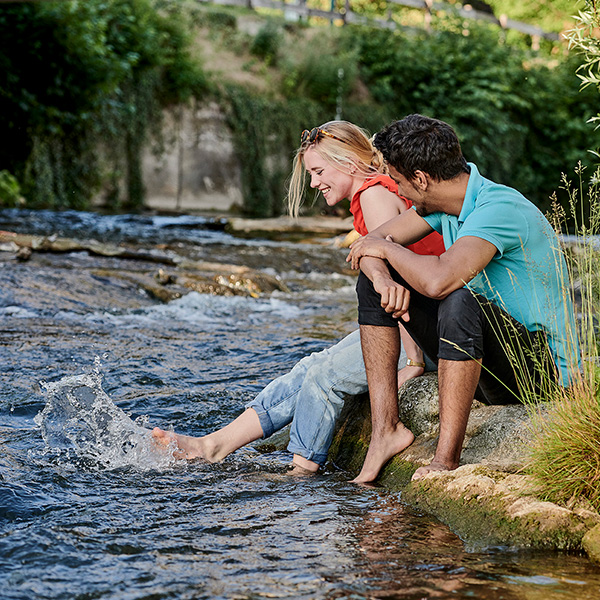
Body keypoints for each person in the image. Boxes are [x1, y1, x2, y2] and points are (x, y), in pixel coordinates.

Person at [152, 120, 445, 473]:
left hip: (426, 333)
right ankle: (214, 445)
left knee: (324, 377)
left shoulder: (373, 195)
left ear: (349, 165)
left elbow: (396, 278)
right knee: (308, 368)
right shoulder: (374, 192)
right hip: (416, 326)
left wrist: (412, 362)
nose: (313, 182)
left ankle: (302, 472)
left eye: (319, 171)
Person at [346, 114, 581, 483]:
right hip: (485, 357)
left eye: (398, 181)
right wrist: (379, 271)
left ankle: (445, 459)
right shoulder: (443, 204)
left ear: (421, 179)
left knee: (458, 297)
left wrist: (383, 249)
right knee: (374, 281)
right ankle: (385, 431)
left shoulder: (498, 209)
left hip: (537, 373)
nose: (397, 191)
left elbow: (439, 281)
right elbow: (370, 245)